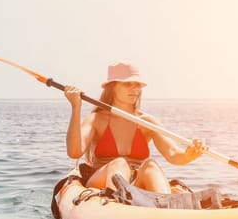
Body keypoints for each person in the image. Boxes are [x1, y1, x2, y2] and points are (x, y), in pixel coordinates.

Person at [63, 62, 208, 194]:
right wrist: (76, 107)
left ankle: (166, 208)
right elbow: (74, 152)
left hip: (136, 182)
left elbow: (174, 155)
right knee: (119, 163)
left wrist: (190, 154)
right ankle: (117, 203)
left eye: (137, 84)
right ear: (112, 87)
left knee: (150, 166)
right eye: (127, 84)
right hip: (102, 180)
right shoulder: (96, 119)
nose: (134, 89)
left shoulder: (147, 121)